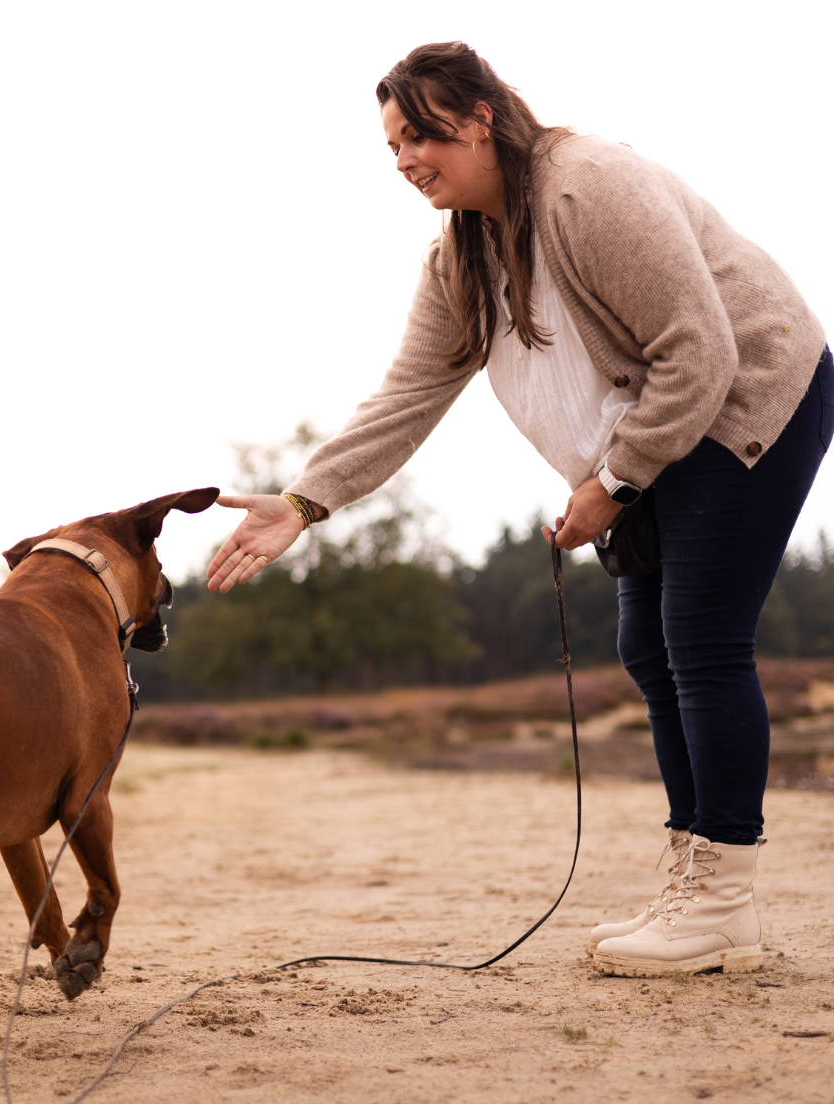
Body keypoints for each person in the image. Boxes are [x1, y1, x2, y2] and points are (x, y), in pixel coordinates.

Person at [206, 42, 832, 978]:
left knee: (699, 638)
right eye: (392, 146)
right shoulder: (461, 254)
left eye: (423, 134)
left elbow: (699, 350)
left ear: (485, 117)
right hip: (658, 430)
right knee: (646, 648)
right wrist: (306, 501)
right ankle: (700, 881)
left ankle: (722, 899)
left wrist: (612, 483)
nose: (407, 159)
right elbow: (408, 393)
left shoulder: (588, 189)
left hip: (749, 396)